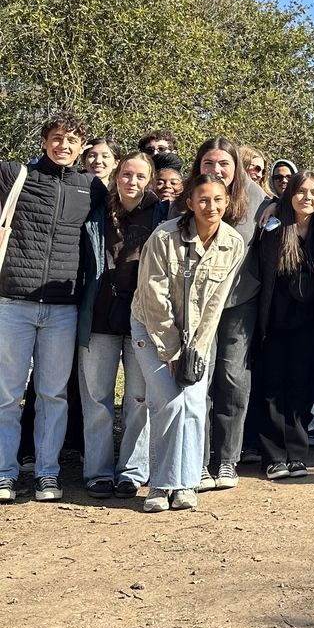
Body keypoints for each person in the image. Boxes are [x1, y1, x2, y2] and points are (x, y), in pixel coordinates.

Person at [0, 113, 106, 503]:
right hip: (13, 300)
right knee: (7, 396)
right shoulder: (15, 175)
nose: (64, 145)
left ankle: (47, 473)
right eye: (57, 138)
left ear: (82, 149)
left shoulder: (90, 187)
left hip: (63, 308)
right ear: (45, 141)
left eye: (73, 140)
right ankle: (4, 473)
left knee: (52, 395)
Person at [131, 174, 245, 512]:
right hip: (152, 330)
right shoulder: (164, 236)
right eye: (203, 199)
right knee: (168, 404)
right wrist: (172, 351)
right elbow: (153, 295)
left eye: (218, 200)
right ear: (190, 202)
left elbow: (216, 303)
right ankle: (160, 486)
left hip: (197, 336)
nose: (211, 206)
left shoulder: (233, 242)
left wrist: (196, 349)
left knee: (193, 405)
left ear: (227, 202)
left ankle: (186, 482)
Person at [186, 137, 270, 491]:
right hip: (198, 303)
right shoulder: (188, 198)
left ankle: (227, 460)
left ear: (237, 166)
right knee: (200, 379)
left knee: (234, 379)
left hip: (240, 301)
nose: (216, 170)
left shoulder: (260, 201)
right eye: (209, 163)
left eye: (224, 164)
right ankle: (199, 460)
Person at [77, 152, 159, 497]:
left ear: (149, 180)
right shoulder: (96, 212)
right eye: (127, 174)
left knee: (139, 399)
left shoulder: (161, 214)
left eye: (140, 176)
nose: (132, 182)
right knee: (97, 399)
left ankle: (131, 471)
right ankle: (97, 471)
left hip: (142, 317)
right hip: (99, 314)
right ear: (117, 176)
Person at [256, 170, 314, 479]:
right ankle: (274, 456)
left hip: (309, 322)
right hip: (275, 320)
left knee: (300, 387)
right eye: (301, 192)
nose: (308, 198)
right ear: (289, 195)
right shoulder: (273, 226)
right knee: (273, 387)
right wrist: (274, 206)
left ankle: (297, 454)